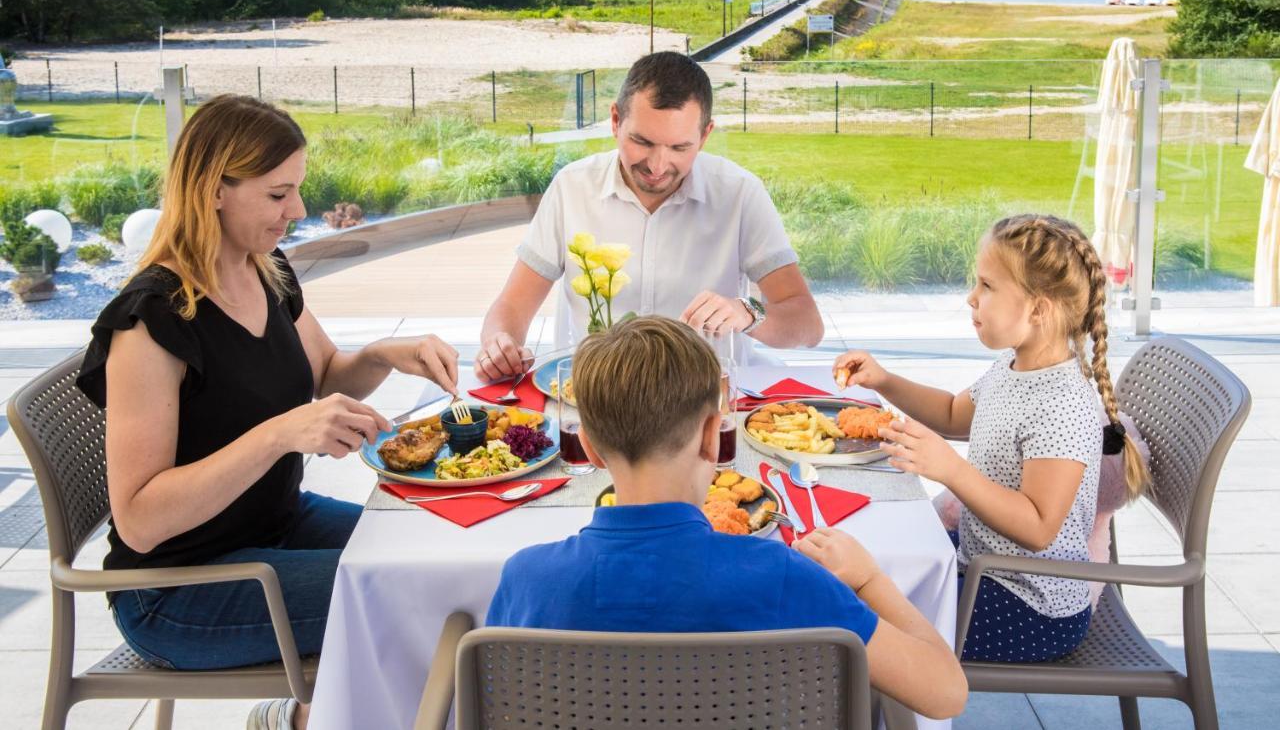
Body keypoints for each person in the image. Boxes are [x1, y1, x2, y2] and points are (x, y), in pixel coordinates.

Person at [75, 95, 461, 730]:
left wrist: (390, 353)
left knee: (437, 546)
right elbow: (141, 521)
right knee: (412, 593)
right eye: (279, 195)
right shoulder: (151, 320)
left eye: (299, 190)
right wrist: (277, 436)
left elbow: (328, 374)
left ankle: (301, 717)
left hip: (273, 526)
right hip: (178, 588)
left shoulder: (265, 269)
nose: (300, 211)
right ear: (214, 190)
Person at [486, 316, 968, 720]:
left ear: (588, 447)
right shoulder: (784, 577)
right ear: (713, 439)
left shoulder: (525, 579)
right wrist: (867, 580)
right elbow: (945, 693)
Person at [833, 214, 1150, 662]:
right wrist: (883, 380)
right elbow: (949, 413)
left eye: (986, 286)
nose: (971, 298)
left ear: (1037, 309)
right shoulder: (1014, 366)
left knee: (865, 622)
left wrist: (951, 470)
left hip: (1032, 606)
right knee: (861, 570)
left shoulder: (1061, 405)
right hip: (983, 567)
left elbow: (1039, 527)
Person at [475, 51, 823, 380]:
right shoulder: (572, 187)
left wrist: (748, 313)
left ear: (704, 136)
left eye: (678, 147)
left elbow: (807, 324)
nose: (657, 166)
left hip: (705, 403)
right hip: (594, 400)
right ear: (615, 121)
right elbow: (511, 307)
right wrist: (499, 344)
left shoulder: (740, 193)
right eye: (642, 142)